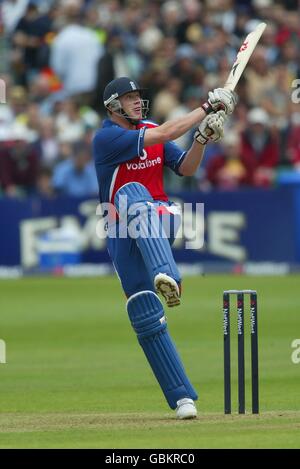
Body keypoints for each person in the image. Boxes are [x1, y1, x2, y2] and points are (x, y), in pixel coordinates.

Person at [92, 77, 237, 419]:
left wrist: (202, 141)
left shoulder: (151, 127)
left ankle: (166, 273)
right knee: (145, 316)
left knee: (132, 192)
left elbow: (185, 167)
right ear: (113, 106)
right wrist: (205, 110)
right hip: (120, 231)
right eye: (129, 98)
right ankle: (183, 400)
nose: (138, 103)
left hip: (162, 215)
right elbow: (167, 134)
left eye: (138, 97)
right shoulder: (107, 138)